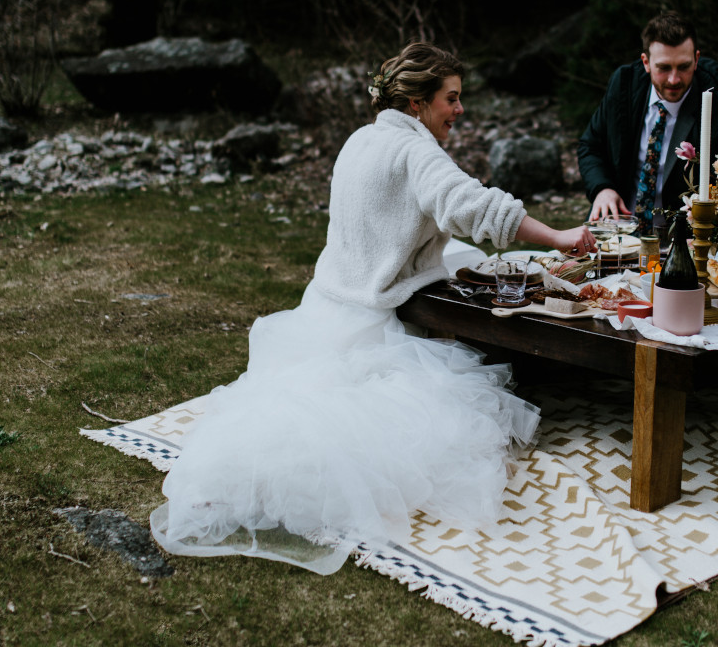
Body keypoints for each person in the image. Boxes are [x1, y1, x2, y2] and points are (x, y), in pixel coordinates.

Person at [151, 42, 596, 573]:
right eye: (451, 99)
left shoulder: (361, 139)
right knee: (374, 430)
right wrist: (559, 236)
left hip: (324, 304)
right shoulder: (417, 153)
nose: (459, 110)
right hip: (374, 321)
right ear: (416, 103)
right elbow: (473, 205)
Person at [577, 12, 718, 230]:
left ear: (696, 59)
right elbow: (590, 145)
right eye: (664, 68)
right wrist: (602, 188)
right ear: (646, 62)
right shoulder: (623, 86)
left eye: (684, 66)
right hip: (617, 227)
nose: (674, 79)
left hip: (683, 239)